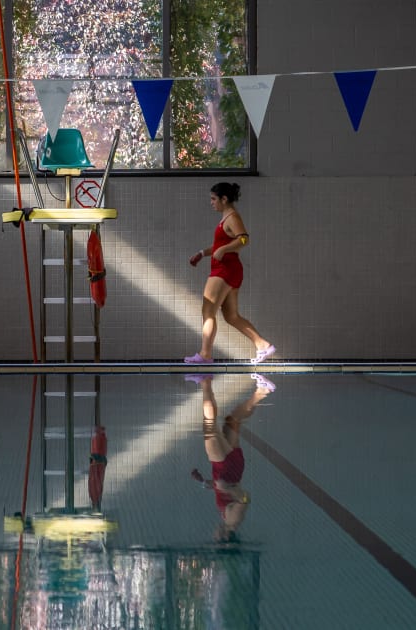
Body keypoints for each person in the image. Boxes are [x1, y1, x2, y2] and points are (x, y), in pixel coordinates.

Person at [185, 182, 276, 365]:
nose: (211, 203)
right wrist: (203, 253)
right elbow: (220, 246)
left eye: (213, 199)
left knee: (208, 311)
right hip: (230, 270)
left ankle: (205, 355)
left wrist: (225, 249)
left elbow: (244, 239)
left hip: (224, 270)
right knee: (231, 316)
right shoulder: (226, 218)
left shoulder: (232, 217)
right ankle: (263, 345)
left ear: (224, 199)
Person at [189, 373, 275, 542]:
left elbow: (225, 494)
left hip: (233, 468)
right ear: (224, 537)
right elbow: (244, 500)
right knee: (209, 425)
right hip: (225, 468)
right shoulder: (232, 522)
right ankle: (204, 379)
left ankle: (263, 391)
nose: (213, 535)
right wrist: (226, 488)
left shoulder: (226, 519)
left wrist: (204, 483)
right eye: (215, 538)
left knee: (232, 420)